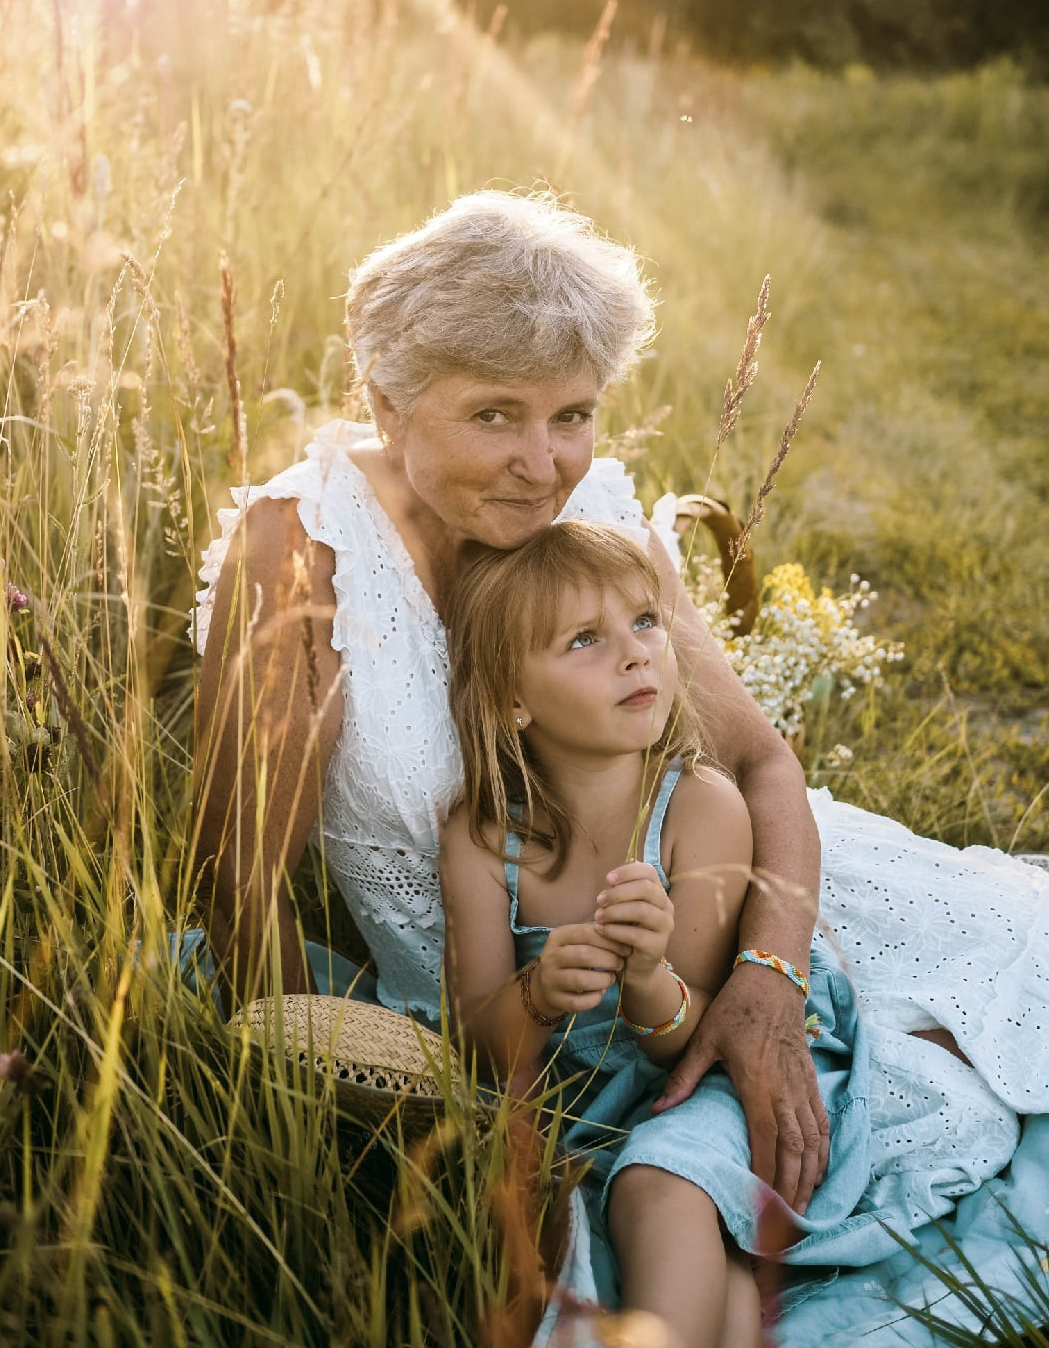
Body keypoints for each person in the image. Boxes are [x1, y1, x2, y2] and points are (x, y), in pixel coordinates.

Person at [193, 188, 829, 1216]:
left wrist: (767, 979)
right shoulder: (303, 553)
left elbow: (760, 765)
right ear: (389, 403)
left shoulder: (595, 511)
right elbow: (237, 890)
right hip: (478, 1044)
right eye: (495, 414)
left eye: (571, 415)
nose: (545, 469)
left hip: (706, 955)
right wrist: (471, 1124)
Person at [440, 521, 1049, 1347]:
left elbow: (692, 1040)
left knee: (660, 1183)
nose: (635, 654)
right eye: (586, 638)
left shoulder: (698, 807)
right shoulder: (482, 838)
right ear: (513, 698)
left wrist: (648, 973)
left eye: (645, 622)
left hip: (713, 1070)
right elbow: (477, 1025)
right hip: (585, 1103)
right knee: (674, 1229)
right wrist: (538, 995)